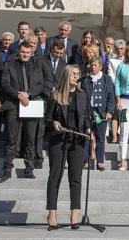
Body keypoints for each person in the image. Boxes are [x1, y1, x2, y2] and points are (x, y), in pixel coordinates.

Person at [45, 65, 91, 230]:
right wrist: (54, 123)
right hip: (59, 139)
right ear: (66, 75)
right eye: (74, 74)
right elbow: (47, 118)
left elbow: (86, 116)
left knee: (76, 177)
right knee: (55, 175)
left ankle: (75, 214)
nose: (76, 76)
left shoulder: (82, 94)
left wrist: (87, 128)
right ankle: (52, 213)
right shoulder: (56, 95)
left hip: (77, 139)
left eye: (78, 74)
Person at [0, 42, 52, 182]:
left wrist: (28, 94)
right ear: (18, 51)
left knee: (30, 139)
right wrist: (19, 95)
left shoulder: (37, 66)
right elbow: (5, 83)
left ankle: (29, 168)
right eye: (23, 52)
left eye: (27, 52)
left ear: (32, 52)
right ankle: (7, 169)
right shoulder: (9, 65)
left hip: (31, 104)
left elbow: (41, 84)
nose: (25, 54)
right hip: (14, 104)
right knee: (12, 139)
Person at [82, 57, 115, 171]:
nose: (93, 67)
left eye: (95, 65)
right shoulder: (85, 79)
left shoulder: (106, 79)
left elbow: (111, 96)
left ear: (100, 66)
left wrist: (109, 111)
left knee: (100, 137)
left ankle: (100, 161)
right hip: (88, 112)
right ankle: (86, 161)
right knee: (87, 136)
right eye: (91, 65)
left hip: (101, 113)